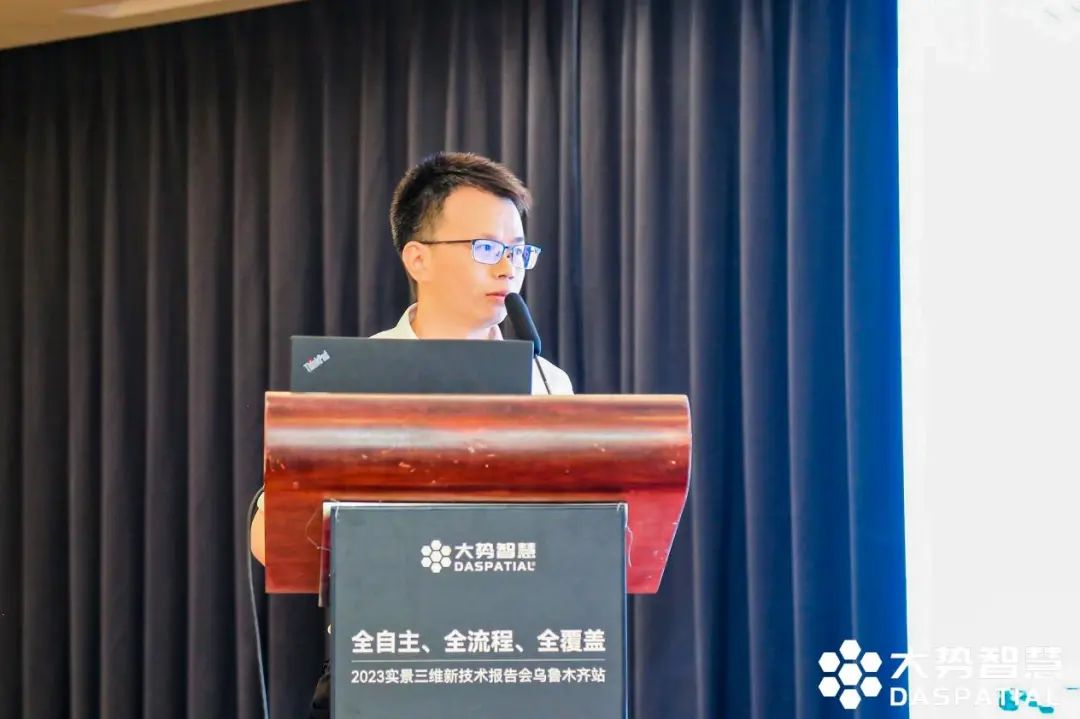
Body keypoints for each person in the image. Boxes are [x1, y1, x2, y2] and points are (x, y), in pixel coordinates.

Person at [248, 151, 574, 717]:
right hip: (387, 664)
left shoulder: (548, 383)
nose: (509, 269)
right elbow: (269, 536)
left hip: (518, 666)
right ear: (418, 258)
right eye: (487, 248)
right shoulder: (351, 378)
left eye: (520, 251)